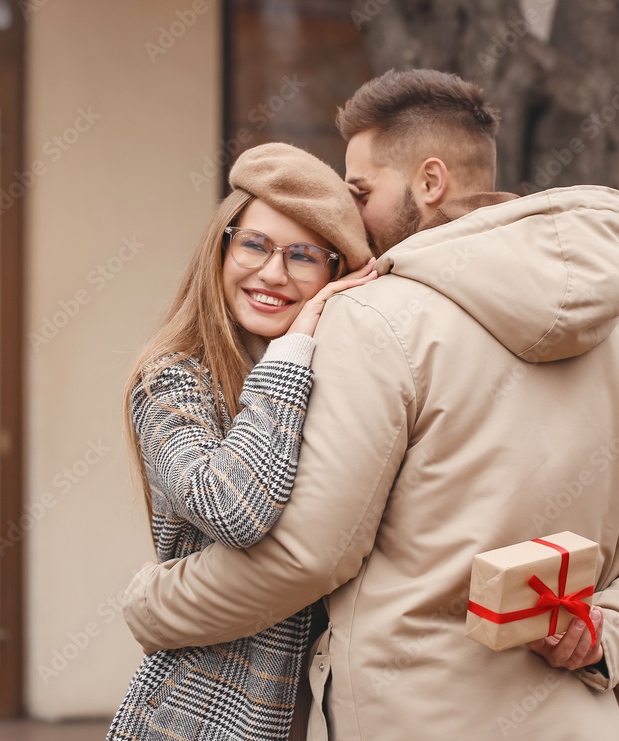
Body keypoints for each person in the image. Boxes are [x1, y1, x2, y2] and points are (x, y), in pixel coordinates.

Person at [122, 69, 619, 741]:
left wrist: (153, 605)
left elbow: (309, 557)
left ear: (430, 181)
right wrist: (608, 629)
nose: (347, 216)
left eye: (360, 191)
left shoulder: (373, 321)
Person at [105, 142, 376, 741]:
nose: (273, 274)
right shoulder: (171, 381)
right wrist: (293, 352)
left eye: (304, 256)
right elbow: (234, 510)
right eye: (254, 244)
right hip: (203, 712)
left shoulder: (349, 384)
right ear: (221, 248)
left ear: (335, 273)